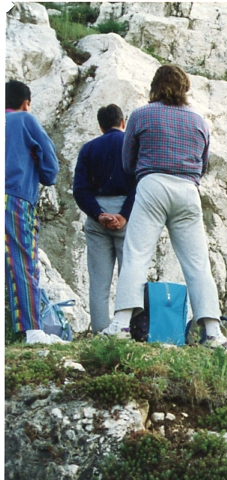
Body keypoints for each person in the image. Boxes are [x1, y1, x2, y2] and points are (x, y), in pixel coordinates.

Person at [105, 65, 227, 348]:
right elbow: (203, 164)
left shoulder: (140, 115)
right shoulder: (199, 121)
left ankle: (122, 324)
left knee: (137, 254)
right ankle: (212, 332)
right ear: (185, 88)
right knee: (198, 263)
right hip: (187, 190)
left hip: (152, 185)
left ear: (155, 86)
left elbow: (127, 162)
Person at [5, 80, 61, 344]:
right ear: (25, 102)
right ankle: (33, 332)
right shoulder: (24, 120)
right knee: (22, 261)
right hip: (14, 198)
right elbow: (50, 167)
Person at [73, 104, 137, 333]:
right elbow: (139, 185)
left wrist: (99, 215)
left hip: (97, 214)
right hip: (126, 215)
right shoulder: (131, 147)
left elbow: (80, 190)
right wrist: (124, 215)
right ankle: (128, 329)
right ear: (123, 122)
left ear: (100, 126)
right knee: (130, 275)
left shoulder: (88, 149)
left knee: (99, 281)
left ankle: (100, 331)